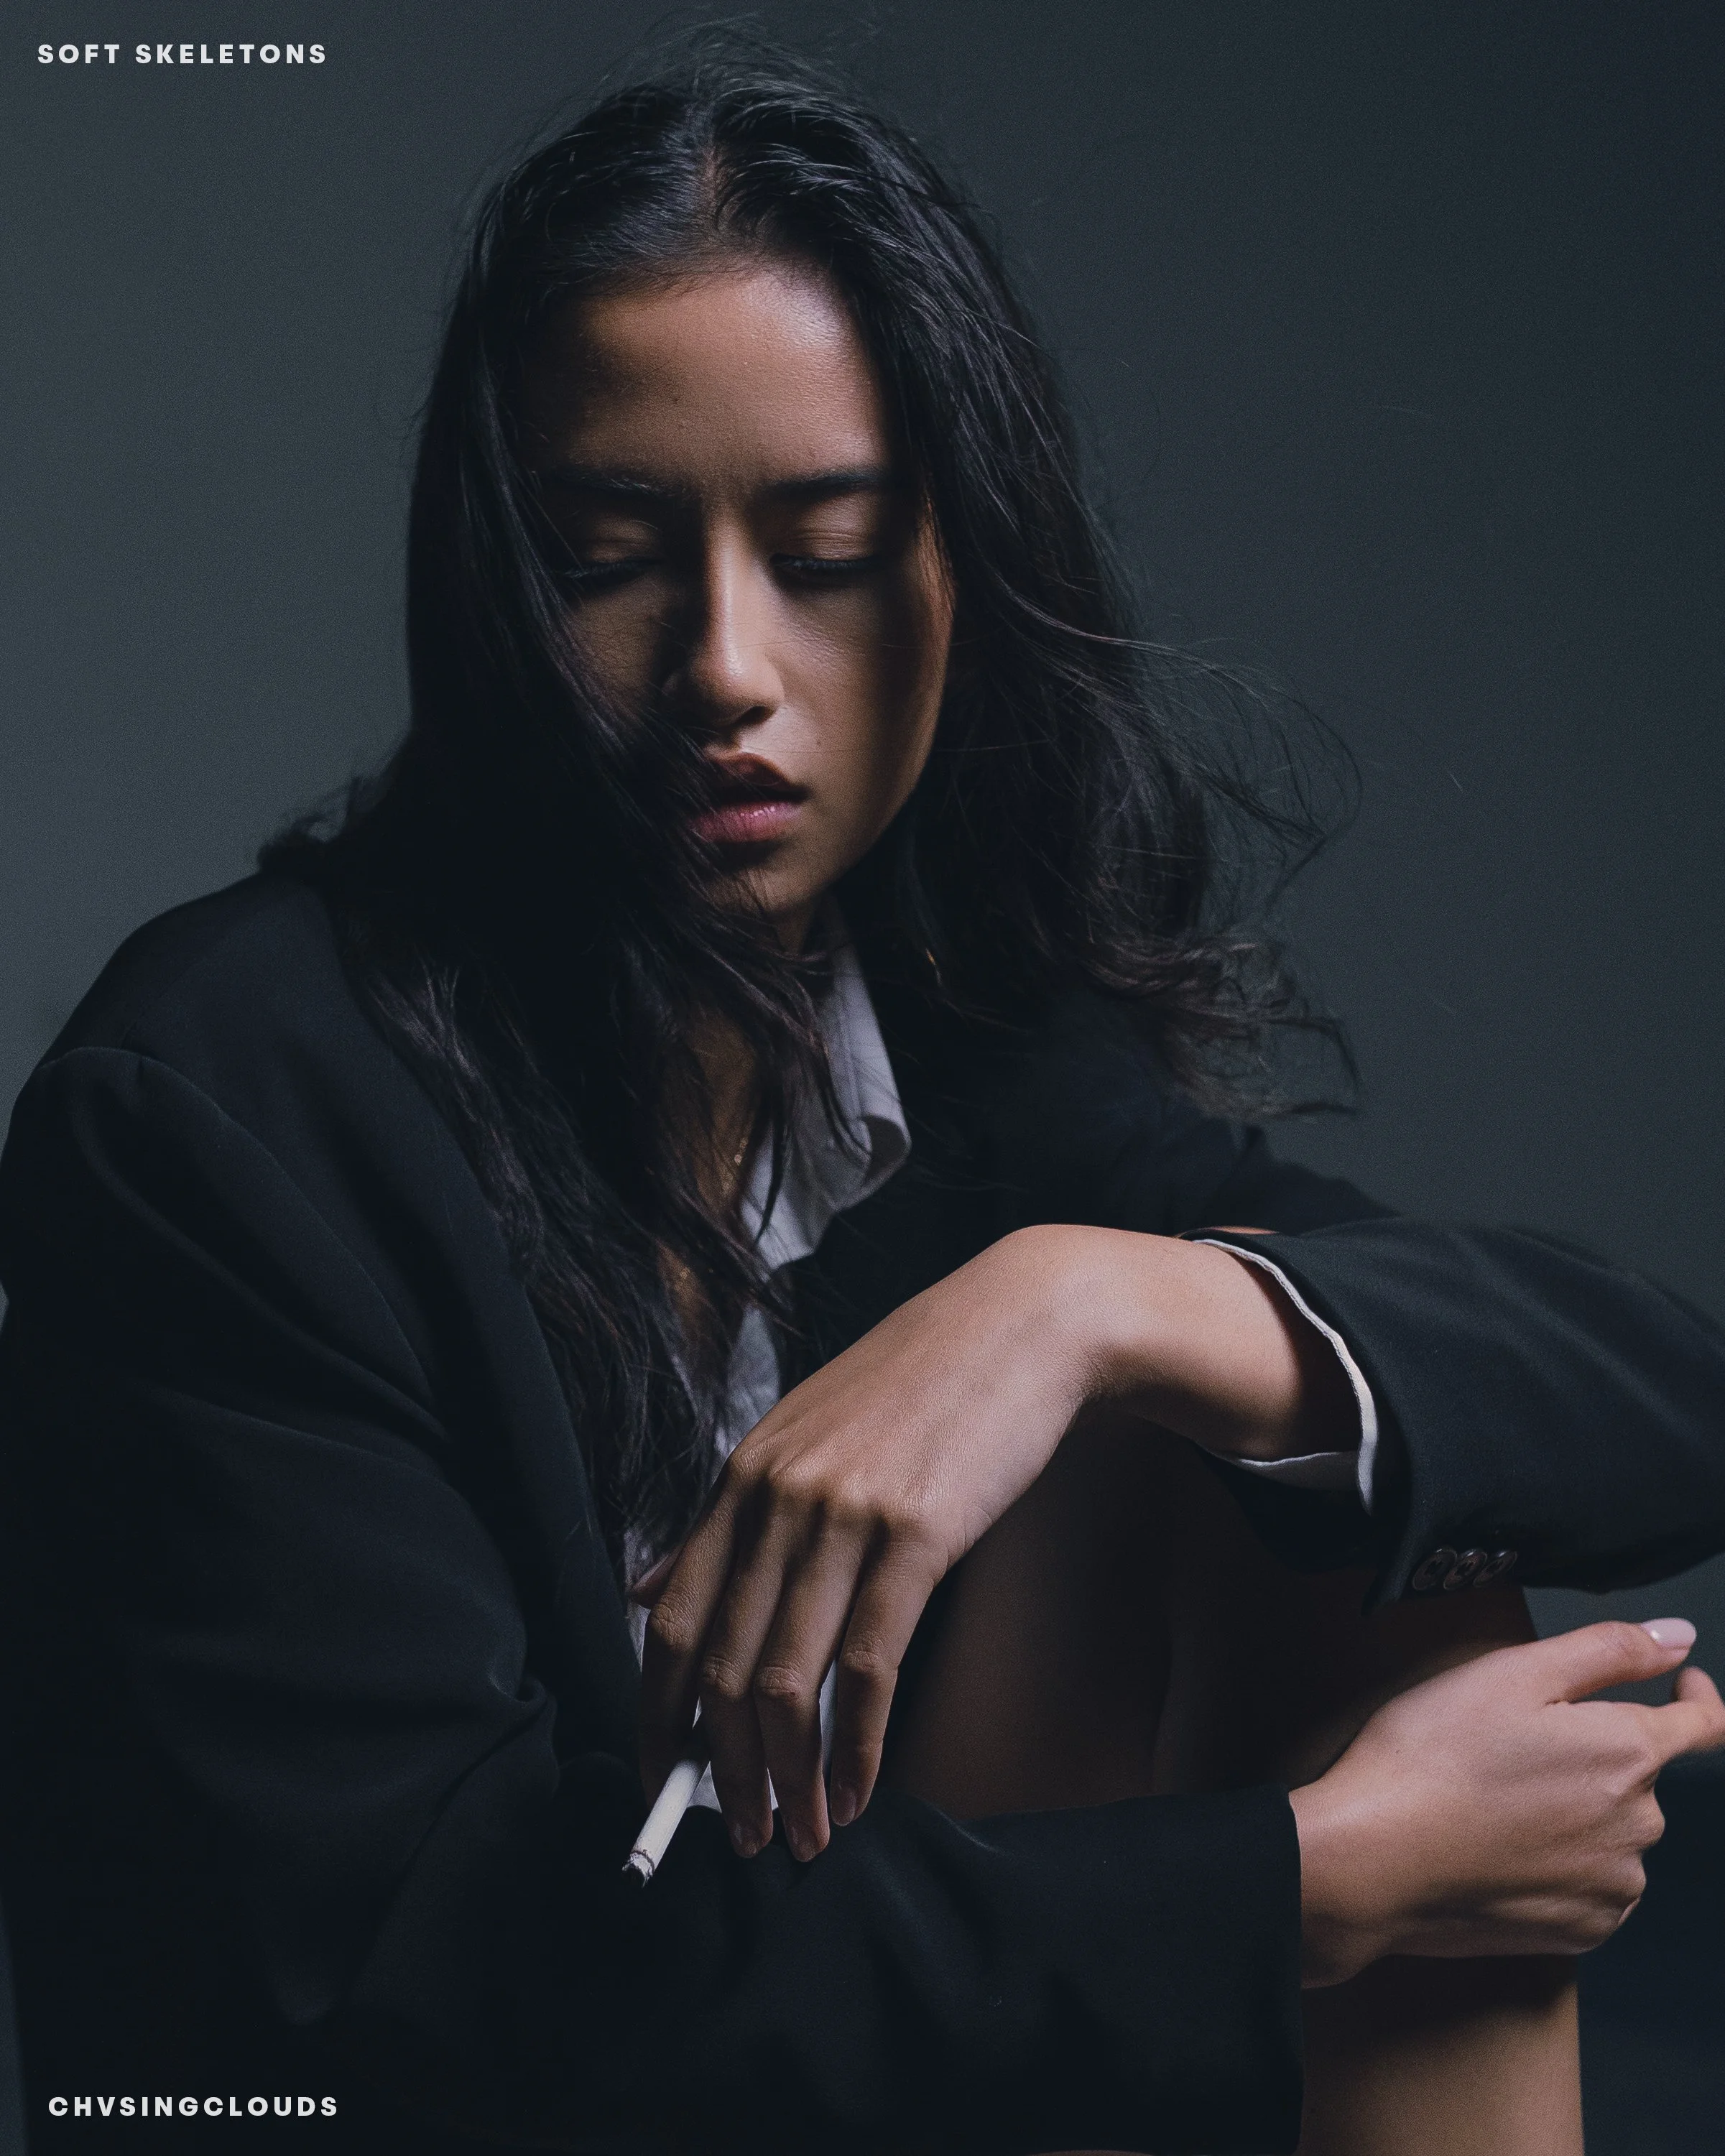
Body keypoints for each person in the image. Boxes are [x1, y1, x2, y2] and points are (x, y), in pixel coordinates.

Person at [1, 47, 1723, 2156]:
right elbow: (405, 1986)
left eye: (825, 549)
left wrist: (1070, 1313)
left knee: (1363, 1527)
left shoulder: (943, 1043)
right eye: (610, 557)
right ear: (492, 597)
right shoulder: (215, 1114)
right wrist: (1316, 1884)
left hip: (826, 2061)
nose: (726, 661)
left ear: (959, 579)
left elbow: (1661, 1406)